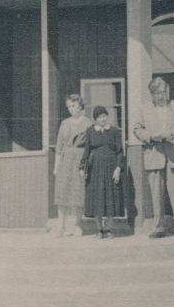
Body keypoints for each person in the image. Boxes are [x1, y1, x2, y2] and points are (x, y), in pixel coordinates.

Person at [134, 77, 174, 239]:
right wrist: (151, 136)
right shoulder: (144, 109)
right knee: (156, 194)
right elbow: (137, 129)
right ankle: (159, 228)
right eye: (158, 93)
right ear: (152, 94)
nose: (162, 96)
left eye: (164, 92)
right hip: (154, 155)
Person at [53, 94, 94, 237]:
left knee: (78, 193)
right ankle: (61, 226)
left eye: (74, 106)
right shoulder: (64, 123)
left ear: (81, 106)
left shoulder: (88, 123)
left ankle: (77, 224)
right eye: (69, 106)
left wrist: (87, 166)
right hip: (65, 159)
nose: (71, 109)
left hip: (80, 159)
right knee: (61, 192)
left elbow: (90, 147)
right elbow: (59, 145)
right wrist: (56, 166)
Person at [80, 106, 124, 239]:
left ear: (107, 116)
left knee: (111, 197)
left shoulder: (115, 131)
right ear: (95, 119)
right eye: (99, 117)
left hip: (111, 168)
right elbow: (86, 151)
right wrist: (82, 167)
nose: (102, 119)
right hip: (95, 169)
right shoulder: (90, 131)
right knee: (97, 199)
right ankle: (99, 230)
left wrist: (118, 169)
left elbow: (120, 152)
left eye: (104, 116)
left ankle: (108, 229)